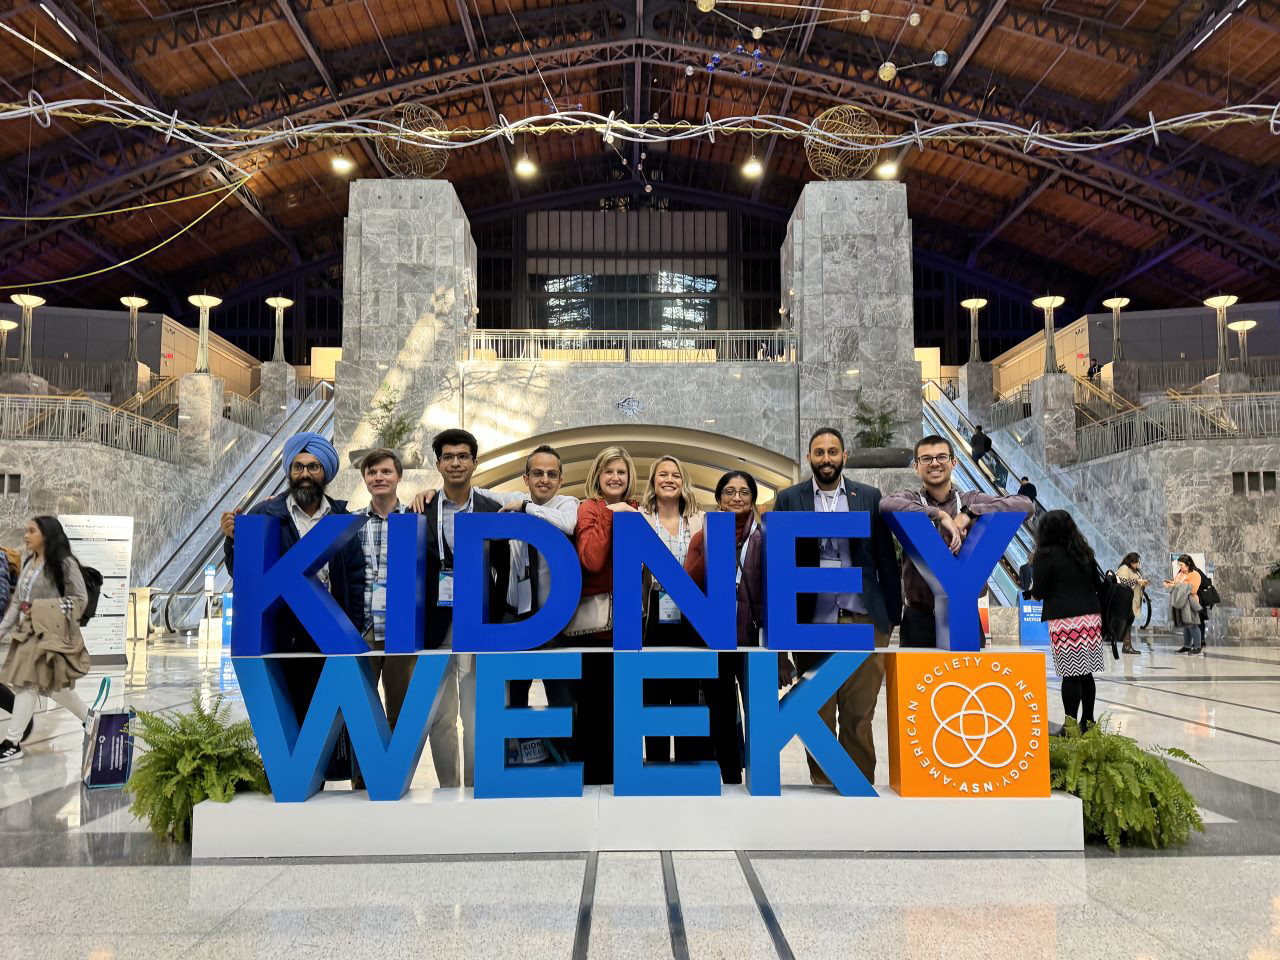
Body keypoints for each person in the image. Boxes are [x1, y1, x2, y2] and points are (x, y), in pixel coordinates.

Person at [221, 432, 365, 779]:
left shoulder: (341, 517)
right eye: (298, 466)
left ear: (325, 472)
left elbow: (357, 576)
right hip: (285, 641)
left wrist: (354, 626)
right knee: (291, 724)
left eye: (313, 466)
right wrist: (232, 541)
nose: (305, 473)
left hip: (332, 640)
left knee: (333, 728)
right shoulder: (266, 514)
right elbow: (245, 574)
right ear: (289, 470)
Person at [773, 427, 902, 786]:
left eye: (832, 452)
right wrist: (781, 642)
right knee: (817, 713)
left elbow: (885, 561)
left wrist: (890, 618)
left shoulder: (869, 497)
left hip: (864, 620)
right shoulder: (790, 499)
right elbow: (780, 567)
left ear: (844, 456)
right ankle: (825, 786)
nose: (826, 458)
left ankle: (857, 787)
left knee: (860, 715)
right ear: (809, 457)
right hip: (811, 623)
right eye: (819, 452)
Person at [412, 444, 579, 715]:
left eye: (551, 474)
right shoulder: (508, 499)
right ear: (526, 479)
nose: (544, 480)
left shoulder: (567, 504)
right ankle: (517, 753)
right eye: (537, 473)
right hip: (513, 619)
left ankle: (564, 753)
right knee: (512, 701)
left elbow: (569, 524)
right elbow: (466, 491)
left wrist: (527, 508)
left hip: (554, 622)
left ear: (561, 479)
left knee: (562, 701)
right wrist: (430, 491)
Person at [400, 428, 509, 789]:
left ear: (475, 463)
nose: (456, 462)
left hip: (479, 621)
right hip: (435, 623)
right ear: (438, 464)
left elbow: (504, 569)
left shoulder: (493, 508)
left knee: (476, 712)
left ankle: (477, 785)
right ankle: (449, 787)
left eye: (463, 456)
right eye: (449, 457)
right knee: (441, 713)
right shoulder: (421, 508)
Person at [684, 470, 793, 784]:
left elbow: (778, 596)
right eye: (729, 492)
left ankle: (760, 776)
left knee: (758, 713)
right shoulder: (702, 537)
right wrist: (710, 540)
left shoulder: (765, 538)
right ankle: (730, 775)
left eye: (744, 492)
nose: (736, 497)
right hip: (715, 641)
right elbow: (690, 584)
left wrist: (781, 653)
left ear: (753, 500)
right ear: (718, 499)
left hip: (753, 640)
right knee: (720, 712)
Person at [881, 435, 1032, 647]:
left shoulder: (970, 499)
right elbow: (886, 505)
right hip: (918, 618)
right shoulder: (912, 499)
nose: (934, 463)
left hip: (964, 616)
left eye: (941, 457)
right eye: (926, 459)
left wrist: (970, 512)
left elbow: (1026, 506)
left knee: (968, 679)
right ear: (916, 467)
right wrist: (939, 515)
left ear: (954, 462)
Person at [0, 516, 93, 763]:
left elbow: (80, 599)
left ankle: (12, 741)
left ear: (47, 534)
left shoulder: (64, 563)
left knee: (27, 684)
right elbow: (18, 604)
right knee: (50, 687)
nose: (26, 535)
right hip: (29, 634)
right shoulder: (30, 563)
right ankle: (90, 719)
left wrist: (43, 607)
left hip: (51, 634)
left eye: (32, 530)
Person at [574, 445, 639, 785]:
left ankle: (621, 776)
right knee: (594, 705)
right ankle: (594, 779)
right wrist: (613, 512)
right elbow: (592, 560)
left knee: (624, 707)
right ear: (598, 476)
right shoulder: (589, 508)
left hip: (632, 628)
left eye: (621, 472)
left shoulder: (639, 510)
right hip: (596, 628)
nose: (616, 477)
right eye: (609, 471)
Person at [638, 456, 707, 764]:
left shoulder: (699, 520)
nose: (669, 479)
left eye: (675, 475)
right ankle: (655, 765)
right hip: (651, 614)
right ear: (653, 481)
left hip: (690, 615)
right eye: (662, 474)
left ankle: (688, 769)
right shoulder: (639, 519)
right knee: (652, 694)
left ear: (683, 482)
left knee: (686, 691)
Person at [1029, 510, 1103, 732]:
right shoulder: (1084, 552)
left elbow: (1039, 591)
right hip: (1090, 619)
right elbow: (1097, 585)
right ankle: (1088, 722)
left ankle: (1069, 726)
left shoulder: (1045, 553)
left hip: (1065, 622)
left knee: (1070, 674)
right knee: (1086, 673)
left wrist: (1034, 590)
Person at [352, 448, 412, 684]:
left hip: (404, 625)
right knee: (361, 706)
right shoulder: (353, 522)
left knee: (400, 712)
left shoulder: (416, 518)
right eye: (371, 472)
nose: (378, 477)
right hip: (363, 625)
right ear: (365, 479)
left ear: (399, 476)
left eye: (386, 471)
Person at [1164, 555, 1206, 655]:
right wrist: (1170, 584)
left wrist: (1175, 585)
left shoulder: (1195, 574)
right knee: (1185, 625)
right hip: (1180, 601)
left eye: (1181, 565)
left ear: (1188, 564)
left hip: (1190, 602)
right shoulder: (1180, 573)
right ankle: (1186, 646)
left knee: (1193, 625)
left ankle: (1197, 647)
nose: (1180, 567)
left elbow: (1193, 589)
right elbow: (1177, 585)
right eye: (1179, 565)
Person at [1115, 553, 1148, 654]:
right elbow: (1122, 582)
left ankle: (1127, 646)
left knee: (1129, 623)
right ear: (1131, 561)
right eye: (1136, 562)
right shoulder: (1124, 568)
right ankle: (1127, 646)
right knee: (1127, 623)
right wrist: (1137, 581)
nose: (1138, 564)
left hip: (1133, 600)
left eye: (1139, 562)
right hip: (1126, 600)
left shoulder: (1134, 570)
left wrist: (1142, 583)